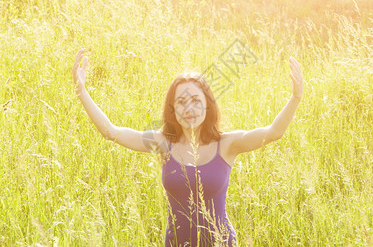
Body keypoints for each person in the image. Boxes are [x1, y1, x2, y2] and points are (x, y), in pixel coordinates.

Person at [72, 48, 303, 246]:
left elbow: (274, 132)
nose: (189, 108)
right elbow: (111, 132)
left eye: (195, 100)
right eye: (181, 103)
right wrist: (82, 92)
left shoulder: (227, 144)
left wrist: (294, 98)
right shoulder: (163, 143)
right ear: (172, 110)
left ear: (207, 104)